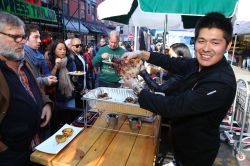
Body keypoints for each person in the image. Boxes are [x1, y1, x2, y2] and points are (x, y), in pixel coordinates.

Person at [123, 12, 236, 166]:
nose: (206, 48)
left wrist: (136, 87)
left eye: (215, 42)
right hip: (179, 142)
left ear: (227, 45)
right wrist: (141, 53)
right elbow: (171, 62)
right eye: (201, 41)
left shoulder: (221, 83)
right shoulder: (197, 64)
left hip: (196, 153)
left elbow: (174, 107)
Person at [0, 12, 53, 166]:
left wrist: (46, 103)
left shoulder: (23, 64)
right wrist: (4, 149)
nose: (22, 41)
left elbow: (34, 90)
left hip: (35, 145)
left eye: (23, 37)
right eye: (16, 37)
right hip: (11, 157)